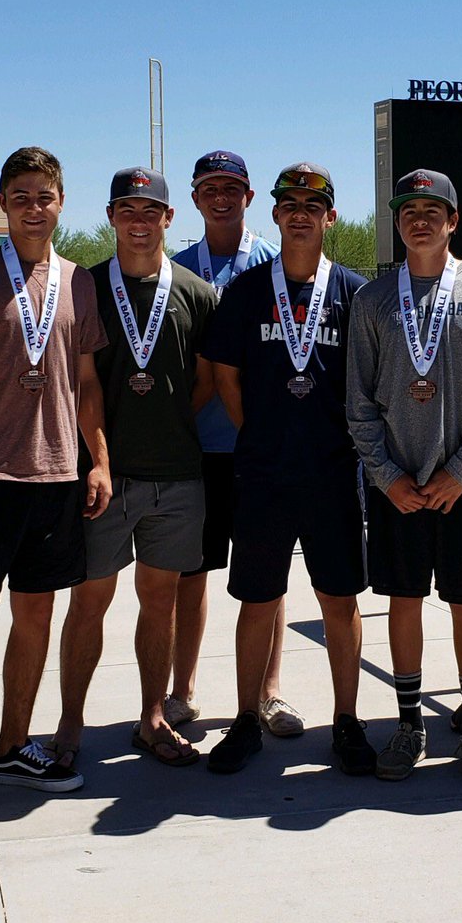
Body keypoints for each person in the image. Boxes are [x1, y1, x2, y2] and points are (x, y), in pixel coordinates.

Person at [0, 146, 110, 826]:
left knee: (35, 617)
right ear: (4, 204)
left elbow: (85, 382)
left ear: (62, 203)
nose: (35, 206)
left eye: (46, 195)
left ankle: (10, 745)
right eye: (22, 195)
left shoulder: (78, 283)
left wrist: (98, 460)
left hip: (57, 475)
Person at [204, 163, 376, 775]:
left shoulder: (355, 292)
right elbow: (224, 372)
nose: (300, 212)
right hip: (265, 474)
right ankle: (246, 720)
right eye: (289, 203)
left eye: (313, 204)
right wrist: (257, 430)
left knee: (339, 600)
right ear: (274, 215)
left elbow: (371, 381)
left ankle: (348, 722)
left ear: (329, 217)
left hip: (332, 473)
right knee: (257, 599)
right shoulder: (248, 291)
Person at [347, 169, 462, 788]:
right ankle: (410, 722)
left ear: (453, 220)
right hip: (398, 487)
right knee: (404, 601)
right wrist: (386, 475)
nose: (419, 219)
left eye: (432, 209)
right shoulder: (372, 299)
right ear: (397, 222)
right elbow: (358, 402)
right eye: (408, 210)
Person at [49, 167, 217, 771]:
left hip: (177, 476)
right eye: (128, 209)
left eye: (151, 210)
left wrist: (165, 419)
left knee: (160, 602)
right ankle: (70, 723)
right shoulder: (85, 289)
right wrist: (101, 457)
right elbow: (80, 384)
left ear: (170, 219)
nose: (140, 221)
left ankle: (152, 716)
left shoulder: (199, 294)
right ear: (112, 216)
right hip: (103, 477)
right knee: (89, 601)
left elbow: (203, 383)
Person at [170, 151, 302, 738]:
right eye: (208, 188)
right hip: (198, 451)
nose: (220, 197)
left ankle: (270, 692)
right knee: (189, 575)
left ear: (249, 198)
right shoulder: (175, 271)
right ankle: (182, 690)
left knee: (269, 578)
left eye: (232, 187)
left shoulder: (279, 265)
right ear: (195, 200)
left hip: (261, 451)